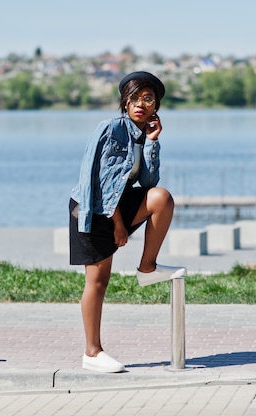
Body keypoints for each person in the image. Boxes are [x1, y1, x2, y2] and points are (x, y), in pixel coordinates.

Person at [69, 71, 186, 373]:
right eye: (135, 98)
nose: (141, 104)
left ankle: (147, 267)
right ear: (125, 101)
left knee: (161, 197)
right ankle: (92, 352)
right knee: (97, 281)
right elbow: (101, 181)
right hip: (93, 208)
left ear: (156, 106)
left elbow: (147, 182)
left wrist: (151, 142)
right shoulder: (111, 129)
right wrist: (118, 226)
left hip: (118, 205)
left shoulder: (140, 135)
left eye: (148, 99)